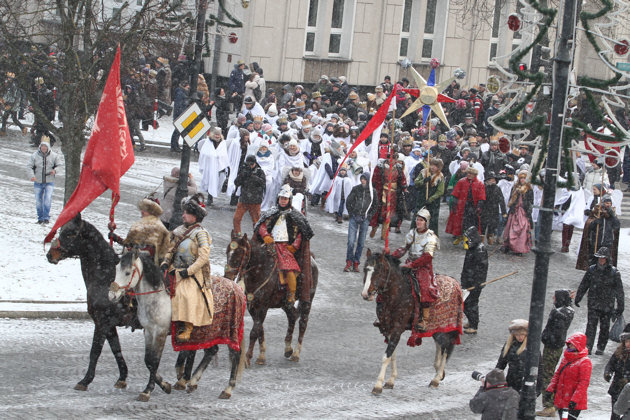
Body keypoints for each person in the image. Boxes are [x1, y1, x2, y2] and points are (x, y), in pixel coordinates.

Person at [161, 194, 214, 342]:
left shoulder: (201, 234)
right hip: (175, 269)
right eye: (183, 212)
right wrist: (165, 262)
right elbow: (171, 249)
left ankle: (188, 327)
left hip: (193, 274)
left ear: (195, 216)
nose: (183, 215)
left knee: (185, 294)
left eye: (187, 213)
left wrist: (189, 271)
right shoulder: (178, 231)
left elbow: (203, 258)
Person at [254, 185, 314, 304]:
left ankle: (291, 294)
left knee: (289, 268)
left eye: (285, 199)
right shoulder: (271, 212)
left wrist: (295, 246)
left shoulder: (296, 216)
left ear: (289, 200)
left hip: (286, 248)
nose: (283, 201)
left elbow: (302, 233)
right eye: (281, 198)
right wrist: (265, 235)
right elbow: (261, 226)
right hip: (270, 244)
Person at [391, 208, 440, 331]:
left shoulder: (431, 237)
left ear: (426, 222)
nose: (418, 222)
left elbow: (427, 257)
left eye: (421, 220)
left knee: (424, 288)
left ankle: (425, 319)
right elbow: (404, 248)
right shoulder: (412, 233)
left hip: (423, 267)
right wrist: (391, 257)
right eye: (417, 219)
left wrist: (413, 265)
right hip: (409, 263)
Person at [575, 246, 624, 355]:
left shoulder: (614, 273)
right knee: (591, 326)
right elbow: (584, 284)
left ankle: (601, 347)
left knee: (604, 327)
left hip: (607, 305)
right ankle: (588, 346)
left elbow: (619, 292)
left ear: (607, 259)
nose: (601, 260)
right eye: (599, 258)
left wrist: (620, 307)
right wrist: (578, 297)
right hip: (593, 303)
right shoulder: (592, 270)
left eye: (603, 258)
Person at [537, 290, 576, 417]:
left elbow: (555, 331)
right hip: (557, 347)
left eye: (555, 297)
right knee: (550, 373)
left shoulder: (558, 314)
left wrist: (545, 338)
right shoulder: (568, 311)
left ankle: (549, 405)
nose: (553, 299)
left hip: (552, 347)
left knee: (546, 375)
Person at [109, 197, 171, 264]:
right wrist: (117, 238)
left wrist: (135, 252)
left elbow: (154, 251)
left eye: (145, 209)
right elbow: (130, 245)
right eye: (142, 209)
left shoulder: (159, 228)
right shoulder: (138, 226)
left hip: (149, 266)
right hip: (134, 261)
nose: (142, 212)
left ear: (152, 211)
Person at [545, 332, 592, 419]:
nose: (569, 346)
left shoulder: (585, 362)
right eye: (569, 344)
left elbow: (583, 383)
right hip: (562, 398)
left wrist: (575, 400)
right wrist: (550, 389)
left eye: (572, 344)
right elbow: (557, 375)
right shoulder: (566, 358)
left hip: (572, 400)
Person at [445, 166, 486, 245]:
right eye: (468, 173)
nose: (469, 175)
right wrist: (454, 203)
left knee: (471, 224)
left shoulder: (479, 183)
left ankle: (467, 240)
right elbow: (456, 193)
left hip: (472, 206)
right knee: (461, 223)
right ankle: (461, 237)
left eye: (471, 174)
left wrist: (479, 206)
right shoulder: (461, 181)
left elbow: (481, 196)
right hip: (462, 206)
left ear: (475, 175)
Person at [344, 172, 376, 272]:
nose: (362, 181)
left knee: (361, 243)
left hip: (365, 219)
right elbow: (349, 201)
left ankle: (356, 262)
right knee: (351, 242)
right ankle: (349, 261)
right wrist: (351, 213)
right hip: (354, 217)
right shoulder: (356, 189)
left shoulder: (372, 191)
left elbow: (375, 205)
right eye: (361, 179)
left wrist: (369, 217)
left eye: (364, 179)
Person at [460, 225, 488, 334]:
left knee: (471, 303)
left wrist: (477, 283)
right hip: (468, 281)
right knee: (466, 303)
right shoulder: (472, 248)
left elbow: (481, 270)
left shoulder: (479, 250)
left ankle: (474, 324)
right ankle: (471, 321)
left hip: (475, 283)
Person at [28, 135, 60, 224]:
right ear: (40, 146)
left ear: (48, 147)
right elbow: (29, 166)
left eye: (45, 146)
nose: (44, 148)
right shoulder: (34, 156)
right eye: (42, 146)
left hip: (49, 181)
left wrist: (55, 171)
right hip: (38, 181)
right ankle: (40, 218)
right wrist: (32, 176)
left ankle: (46, 217)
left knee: (47, 199)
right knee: (38, 201)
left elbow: (59, 165)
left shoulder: (54, 156)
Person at [233, 155, 266, 235]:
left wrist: (253, 177)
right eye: (248, 164)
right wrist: (242, 175)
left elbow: (263, 183)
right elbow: (236, 183)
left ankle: (256, 238)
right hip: (243, 200)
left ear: (255, 163)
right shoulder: (243, 170)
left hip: (255, 201)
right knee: (236, 219)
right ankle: (238, 235)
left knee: (256, 222)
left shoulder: (260, 172)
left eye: (252, 164)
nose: (250, 166)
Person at [502, 171, 533, 255]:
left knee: (522, 229)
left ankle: (519, 248)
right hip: (514, 211)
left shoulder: (529, 189)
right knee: (510, 228)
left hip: (523, 211)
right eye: (521, 178)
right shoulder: (515, 188)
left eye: (524, 178)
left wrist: (528, 211)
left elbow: (530, 202)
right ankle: (507, 245)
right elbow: (511, 199)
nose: (522, 180)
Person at [412, 158, 445, 234]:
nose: (433, 167)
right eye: (432, 165)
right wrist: (424, 181)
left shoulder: (440, 177)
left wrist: (431, 199)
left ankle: (430, 235)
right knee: (418, 216)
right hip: (422, 197)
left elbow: (440, 191)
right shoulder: (424, 172)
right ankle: (414, 234)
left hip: (433, 201)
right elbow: (416, 182)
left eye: (435, 166)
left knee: (432, 219)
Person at [496, 319, 531, 392]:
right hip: (511, 382)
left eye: (522, 334)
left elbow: (539, 368)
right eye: (517, 334)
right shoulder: (509, 345)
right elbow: (501, 364)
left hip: (525, 384)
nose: (520, 337)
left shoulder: (530, 346)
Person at [605, 332, 630, 420]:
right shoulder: (619, 352)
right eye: (627, 341)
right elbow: (611, 364)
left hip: (628, 391)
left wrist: (627, 380)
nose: (628, 344)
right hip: (617, 386)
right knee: (615, 412)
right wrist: (608, 373)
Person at [480, 171, 507, 244]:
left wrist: (504, 211)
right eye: (491, 179)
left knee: (492, 225)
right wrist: (479, 208)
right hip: (485, 209)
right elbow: (481, 199)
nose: (493, 181)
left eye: (494, 180)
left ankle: (490, 237)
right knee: (483, 225)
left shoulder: (497, 188)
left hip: (494, 209)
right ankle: (481, 240)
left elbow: (501, 199)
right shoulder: (484, 188)